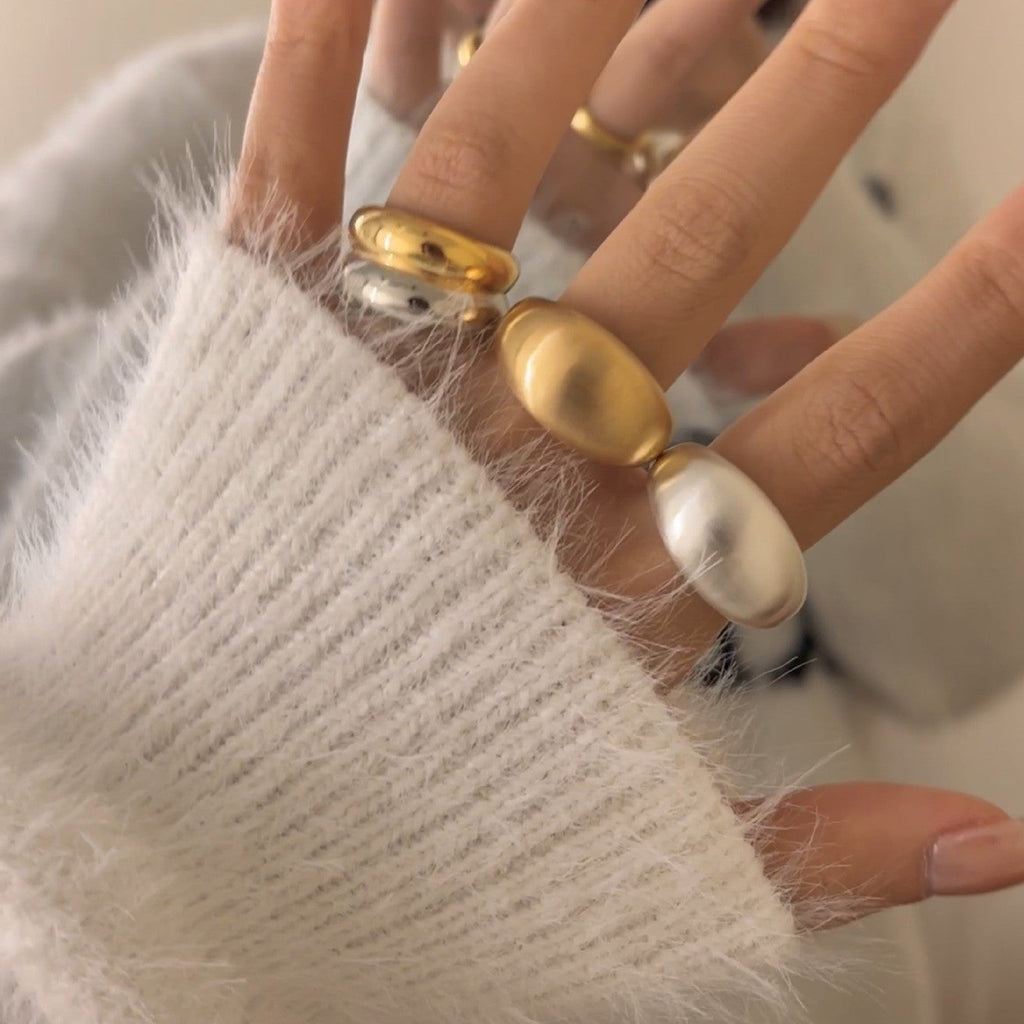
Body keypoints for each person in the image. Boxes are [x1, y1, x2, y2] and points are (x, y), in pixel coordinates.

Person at [1, 0, 1023, 1021]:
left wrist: (774, 186)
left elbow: (965, 648)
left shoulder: (876, 136)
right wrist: (372, 269)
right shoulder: (199, 103)